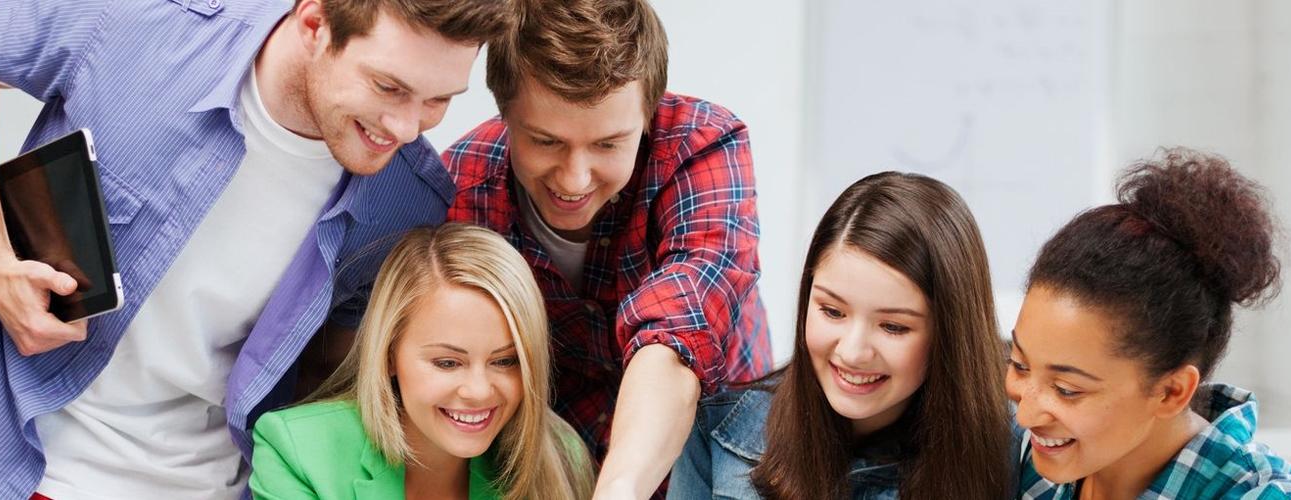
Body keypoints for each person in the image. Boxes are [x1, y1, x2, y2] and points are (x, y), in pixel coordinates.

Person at [0, 0, 508, 497]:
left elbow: (326, 380)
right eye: (388, 86)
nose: (406, 128)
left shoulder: (409, 194)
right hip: (15, 463)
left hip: (212, 486)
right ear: (314, 22)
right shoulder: (140, 21)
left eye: (439, 100)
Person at [441, 0, 770, 495]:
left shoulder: (703, 146)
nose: (574, 179)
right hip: (549, 448)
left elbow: (675, 334)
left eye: (608, 144)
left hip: (718, 435)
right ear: (504, 111)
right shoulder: (460, 188)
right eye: (546, 141)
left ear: (648, 113)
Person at [1006, 149, 1291, 499]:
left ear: (1171, 391)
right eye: (1020, 365)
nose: (1025, 415)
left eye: (1067, 389)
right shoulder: (1026, 461)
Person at [667, 171, 1015, 499]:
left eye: (893, 327)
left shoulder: (1014, 446)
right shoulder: (715, 435)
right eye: (832, 312)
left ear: (950, 333)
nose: (852, 352)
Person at [250, 223, 594, 499]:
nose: (478, 391)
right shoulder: (298, 450)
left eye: (505, 361)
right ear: (388, 355)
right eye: (447, 363)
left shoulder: (562, 458)